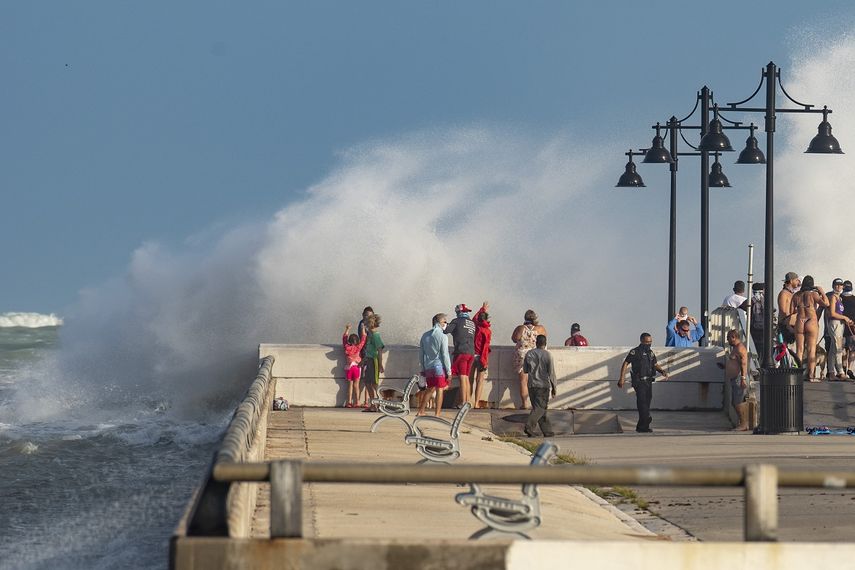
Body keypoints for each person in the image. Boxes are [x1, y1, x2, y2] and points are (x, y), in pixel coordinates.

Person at [618, 333, 669, 433]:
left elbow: (655, 364)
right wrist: (622, 378)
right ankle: (646, 418)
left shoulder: (651, 353)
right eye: (647, 342)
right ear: (641, 341)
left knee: (647, 402)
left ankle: (642, 427)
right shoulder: (635, 352)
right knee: (642, 403)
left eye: (650, 342)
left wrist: (662, 371)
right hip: (639, 381)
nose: (649, 344)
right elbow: (626, 363)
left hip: (648, 382)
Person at [792, 276, 829, 381]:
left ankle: (797, 375)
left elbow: (792, 311)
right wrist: (822, 291)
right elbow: (826, 303)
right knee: (811, 349)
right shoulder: (814, 294)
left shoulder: (796, 296)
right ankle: (811, 376)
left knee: (799, 350)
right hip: (811, 321)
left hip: (800, 321)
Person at [512, 310, 548, 410]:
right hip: (536, 356)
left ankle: (525, 404)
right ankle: (536, 404)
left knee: (523, 381)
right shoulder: (540, 328)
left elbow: (514, 339)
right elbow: (544, 339)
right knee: (537, 380)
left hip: (522, 356)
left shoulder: (520, 328)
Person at [417, 313, 452, 416]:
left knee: (430, 388)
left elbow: (421, 354)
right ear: (439, 323)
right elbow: (445, 355)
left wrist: (423, 368)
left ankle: (421, 411)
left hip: (428, 367)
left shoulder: (425, 335)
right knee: (440, 389)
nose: (446, 324)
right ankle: (437, 414)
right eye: (445, 322)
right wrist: (449, 371)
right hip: (438, 367)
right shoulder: (443, 336)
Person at [522, 335, 556, 438]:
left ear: (536, 342)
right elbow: (551, 373)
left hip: (532, 385)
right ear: (545, 344)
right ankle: (529, 426)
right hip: (543, 386)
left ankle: (547, 431)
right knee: (540, 408)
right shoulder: (548, 355)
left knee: (540, 408)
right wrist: (554, 387)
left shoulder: (529, 353)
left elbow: (525, 370)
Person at [443, 303, 477, 407]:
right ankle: (467, 401)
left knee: (462, 377)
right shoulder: (472, 323)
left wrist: (444, 323)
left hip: (461, 352)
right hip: (471, 352)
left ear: (458, 312)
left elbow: (446, 330)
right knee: (466, 377)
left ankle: (463, 402)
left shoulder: (456, 321)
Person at [825, 278, 853, 380]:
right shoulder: (833, 297)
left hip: (840, 324)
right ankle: (841, 372)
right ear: (833, 286)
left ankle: (831, 372)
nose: (838, 287)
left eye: (840, 285)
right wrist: (844, 317)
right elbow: (832, 313)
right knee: (838, 348)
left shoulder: (839, 298)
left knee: (833, 349)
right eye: (836, 285)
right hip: (834, 323)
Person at [725, 329, 750, 431]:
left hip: (739, 378)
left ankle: (743, 424)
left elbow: (743, 364)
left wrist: (743, 379)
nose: (727, 340)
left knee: (738, 402)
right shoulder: (735, 348)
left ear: (734, 337)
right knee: (735, 402)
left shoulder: (740, 348)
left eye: (728, 338)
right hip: (735, 378)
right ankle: (741, 422)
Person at [362, 313, 385, 409]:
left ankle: (381, 403)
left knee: (374, 383)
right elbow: (369, 351)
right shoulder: (370, 335)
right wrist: (363, 360)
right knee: (367, 382)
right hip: (369, 360)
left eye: (367, 323)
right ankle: (373, 404)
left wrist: (380, 364)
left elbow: (379, 351)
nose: (366, 325)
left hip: (374, 361)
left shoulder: (375, 335)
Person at [341, 323, 367, 408]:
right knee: (357, 385)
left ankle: (349, 402)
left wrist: (347, 329)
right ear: (357, 341)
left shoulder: (347, 347)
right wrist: (363, 329)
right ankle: (357, 402)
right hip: (356, 367)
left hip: (349, 368)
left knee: (350, 385)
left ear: (350, 341)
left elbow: (344, 338)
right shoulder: (358, 347)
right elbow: (364, 339)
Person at [472, 302, 492, 409]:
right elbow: (485, 347)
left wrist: (482, 309)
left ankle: (466, 401)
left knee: (469, 379)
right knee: (479, 381)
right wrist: (484, 361)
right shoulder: (487, 331)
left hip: (471, 355)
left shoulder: (474, 327)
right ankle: (476, 403)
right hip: (481, 357)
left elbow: (474, 318)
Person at [777, 272, 800, 348]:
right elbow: (782, 310)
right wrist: (788, 324)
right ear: (791, 281)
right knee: (785, 350)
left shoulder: (792, 294)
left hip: (792, 325)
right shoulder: (783, 293)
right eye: (796, 280)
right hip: (785, 326)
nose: (798, 282)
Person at [356, 307, 374, 406]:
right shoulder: (362, 324)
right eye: (366, 315)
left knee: (368, 379)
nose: (368, 317)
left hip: (369, 354)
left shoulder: (371, 325)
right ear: (363, 315)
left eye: (370, 315)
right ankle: (364, 401)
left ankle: (367, 401)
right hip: (365, 354)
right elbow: (363, 339)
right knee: (365, 378)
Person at [748, 283, 766, 359]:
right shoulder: (763, 300)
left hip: (755, 328)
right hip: (762, 329)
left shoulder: (753, 301)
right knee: (761, 349)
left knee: (756, 348)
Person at [842, 281, 855, 379]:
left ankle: (843, 367)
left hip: (841, 326)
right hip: (852, 327)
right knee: (852, 350)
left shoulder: (839, 298)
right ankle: (849, 369)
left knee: (843, 350)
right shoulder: (854, 299)